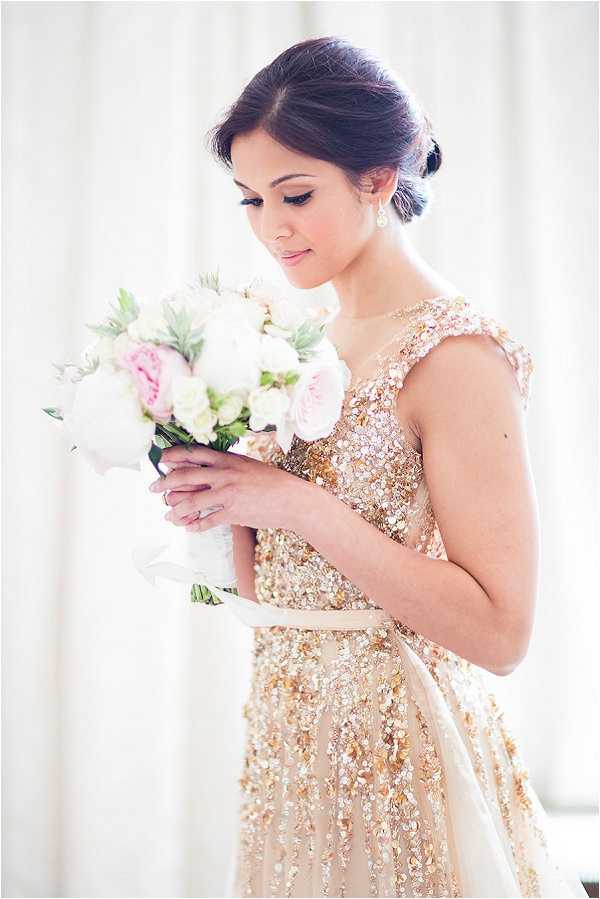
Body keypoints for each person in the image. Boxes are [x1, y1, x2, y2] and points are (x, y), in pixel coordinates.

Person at [157, 36, 588, 898]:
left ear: (379, 180)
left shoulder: (456, 353)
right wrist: (220, 496)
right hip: (289, 740)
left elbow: (502, 634)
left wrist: (295, 504)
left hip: (400, 755)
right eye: (250, 200)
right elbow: (280, 598)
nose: (271, 227)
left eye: (296, 194)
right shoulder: (299, 343)